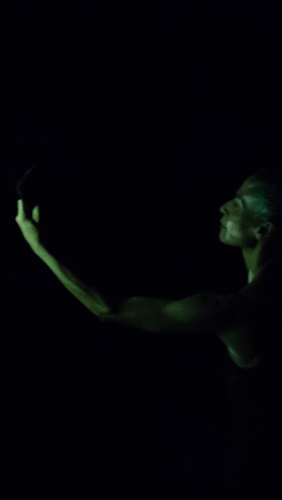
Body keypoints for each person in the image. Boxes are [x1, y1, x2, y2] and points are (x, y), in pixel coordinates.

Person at [15, 168, 282, 496]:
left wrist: (37, 244)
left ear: (265, 228)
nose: (223, 206)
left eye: (238, 205)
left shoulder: (234, 312)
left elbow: (107, 309)